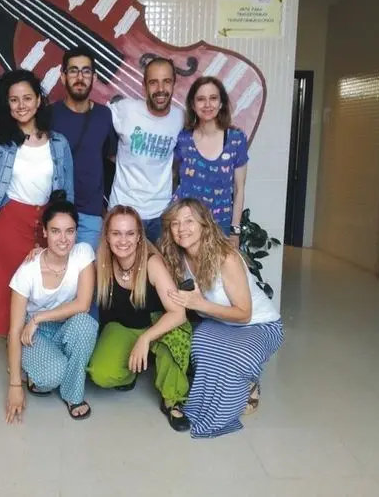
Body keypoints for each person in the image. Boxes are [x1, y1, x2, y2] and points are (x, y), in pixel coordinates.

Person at [160, 198, 284, 438]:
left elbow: (244, 314)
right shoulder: (178, 257)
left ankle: (248, 385)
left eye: (189, 221)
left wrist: (199, 304)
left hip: (258, 324)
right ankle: (234, 385)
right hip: (219, 322)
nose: (182, 228)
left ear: (204, 225)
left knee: (236, 356)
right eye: (175, 223)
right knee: (200, 345)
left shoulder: (226, 258)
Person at [0, 69, 74, 337]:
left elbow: (68, 193)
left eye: (27, 98)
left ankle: (34, 345)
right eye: (14, 99)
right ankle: (13, 348)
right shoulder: (0, 142)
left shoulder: (59, 143)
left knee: (40, 289)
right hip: (9, 224)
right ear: (7, 104)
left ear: (38, 100)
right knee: (8, 290)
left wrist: (64, 229)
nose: (21, 105)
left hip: (46, 225)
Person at [86, 206, 192, 432]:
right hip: (124, 327)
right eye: (116, 233)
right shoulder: (102, 261)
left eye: (130, 233)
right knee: (100, 374)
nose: (123, 240)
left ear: (139, 237)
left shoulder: (152, 263)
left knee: (176, 335)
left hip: (158, 325)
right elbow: (68, 271)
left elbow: (178, 313)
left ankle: (172, 400)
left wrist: (145, 339)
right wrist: (40, 255)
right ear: (107, 236)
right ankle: (133, 371)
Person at [5, 191, 98, 424]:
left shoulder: (83, 253)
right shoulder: (27, 271)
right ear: (45, 232)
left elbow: (83, 304)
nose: (63, 239)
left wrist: (39, 317)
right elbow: (15, 330)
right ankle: (34, 370)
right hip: (32, 333)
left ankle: (73, 395)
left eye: (70, 231)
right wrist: (15, 385)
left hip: (63, 324)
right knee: (50, 377)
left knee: (86, 325)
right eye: (55, 231)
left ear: (76, 232)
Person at [107, 57, 184, 245]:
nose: (160, 89)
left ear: (174, 84)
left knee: (160, 264)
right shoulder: (126, 109)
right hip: (123, 211)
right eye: (153, 82)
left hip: (161, 214)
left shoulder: (180, 118)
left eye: (166, 81)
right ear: (144, 86)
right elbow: (92, 117)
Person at [50, 45, 117, 250]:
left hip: (90, 216)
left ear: (94, 78)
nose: (80, 77)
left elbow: (111, 158)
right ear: (63, 77)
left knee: (87, 269)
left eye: (86, 71)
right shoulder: (49, 115)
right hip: (55, 212)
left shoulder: (104, 115)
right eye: (73, 71)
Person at [172, 76, 248, 246]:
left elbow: (239, 189)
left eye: (213, 98)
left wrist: (235, 230)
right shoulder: (183, 139)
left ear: (221, 103)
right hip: (185, 229)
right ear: (193, 105)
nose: (207, 104)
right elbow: (173, 178)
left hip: (220, 227)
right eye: (201, 99)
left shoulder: (236, 139)